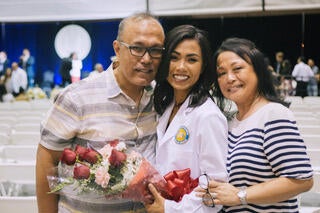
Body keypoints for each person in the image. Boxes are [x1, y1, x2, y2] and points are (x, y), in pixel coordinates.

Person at [36, 12, 165, 213]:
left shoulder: (161, 99)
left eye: (155, 50)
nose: (147, 59)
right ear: (117, 48)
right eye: (137, 48)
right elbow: (47, 160)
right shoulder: (76, 97)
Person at [196, 37, 314, 212]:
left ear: (258, 71)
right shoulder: (228, 122)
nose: (229, 78)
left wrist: (240, 196)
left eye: (237, 69)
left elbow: (302, 180)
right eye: (221, 73)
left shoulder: (273, 115)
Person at [145, 25, 228, 213]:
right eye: (174, 58)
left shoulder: (208, 116)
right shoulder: (165, 106)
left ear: (203, 66)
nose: (180, 67)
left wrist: (169, 208)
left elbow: (215, 189)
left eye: (191, 60)